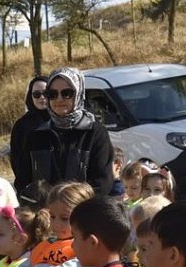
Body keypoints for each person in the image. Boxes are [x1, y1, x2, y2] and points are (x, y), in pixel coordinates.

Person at [20, 67, 115, 196]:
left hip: (81, 212)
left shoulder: (95, 133)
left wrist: (68, 203)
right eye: (52, 94)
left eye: (67, 93)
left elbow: (101, 184)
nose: (59, 99)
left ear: (78, 94)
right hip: (44, 213)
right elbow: (23, 181)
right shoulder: (36, 135)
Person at [9, 75, 50, 190]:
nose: (42, 98)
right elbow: (16, 160)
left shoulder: (61, 121)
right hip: (31, 187)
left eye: (46, 93)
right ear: (30, 97)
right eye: (36, 94)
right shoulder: (22, 125)